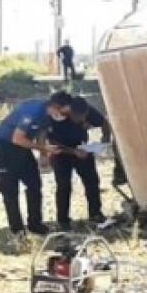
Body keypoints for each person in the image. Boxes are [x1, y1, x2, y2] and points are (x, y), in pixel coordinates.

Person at [0, 90, 76, 236]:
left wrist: (43, 154)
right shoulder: (33, 111)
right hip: (4, 146)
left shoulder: (47, 115)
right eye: (63, 113)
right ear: (55, 106)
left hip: (23, 147)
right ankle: (17, 230)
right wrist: (43, 148)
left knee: (34, 184)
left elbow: (41, 132)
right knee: (10, 190)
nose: (63, 117)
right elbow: (17, 138)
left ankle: (35, 224)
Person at [47, 96, 111, 230]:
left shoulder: (85, 109)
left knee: (92, 180)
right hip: (61, 153)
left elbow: (104, 123)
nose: (83, 121)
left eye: (84, 118)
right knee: (64, 185)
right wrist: (73, 152)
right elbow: (52, 143)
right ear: (70, 113)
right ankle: (63, 221)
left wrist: (105, 138)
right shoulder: (55, 116)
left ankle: (95, 214)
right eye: (79, 119)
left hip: (83, 148)